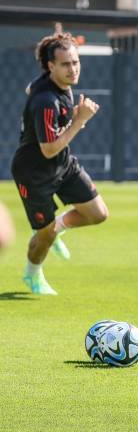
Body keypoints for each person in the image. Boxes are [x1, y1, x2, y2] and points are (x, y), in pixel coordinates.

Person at [11, 25, 108, 295]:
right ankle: (33, 275)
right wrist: (79, 120)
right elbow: (48, 149)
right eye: (65, 64)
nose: (73, 69)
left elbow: (31, 87)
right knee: (44, 234)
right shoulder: (46, 101)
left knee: (98, 214)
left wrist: (73, 119)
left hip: (62, 165)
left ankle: (57, 228)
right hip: (34, 173)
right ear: (50, 66)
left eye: (76, 62)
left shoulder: (55, 84)